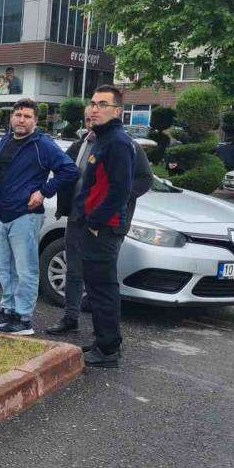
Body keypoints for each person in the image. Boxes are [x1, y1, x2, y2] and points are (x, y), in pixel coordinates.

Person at [0, 99, 78, 335]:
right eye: (18, 115)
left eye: (27, 116)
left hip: (26, 215)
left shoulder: (42, 144)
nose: (21, 119)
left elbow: (69, 170)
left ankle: (23, 319)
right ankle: (8, 310)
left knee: (25, 270)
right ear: (12, 117)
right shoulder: (5, 140)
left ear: (35, 120)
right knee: (5, 268)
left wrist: (44, 192)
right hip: (2, 214)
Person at [48, 117, 153, 337]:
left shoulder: (126, 145)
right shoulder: (80, 145)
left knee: (102, 279)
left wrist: (119, 197)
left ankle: (103, 335)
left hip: (106, 222)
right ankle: (70, 318)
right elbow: (65, 173)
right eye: (87, 118)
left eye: (96, 116)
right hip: (77, 217)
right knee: (73, 270)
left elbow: (144, 179)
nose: (91, 121)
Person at [67, 86, 135, 367]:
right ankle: (102, 341)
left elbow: (121, 191)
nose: (94, 108)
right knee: (95, 289)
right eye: (92, 103)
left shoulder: (117, 142)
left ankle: (108, 350)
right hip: (93, 226)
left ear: (117, 111)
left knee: (103, 289)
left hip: (103, 229)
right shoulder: (103, 139)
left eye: (102, 104)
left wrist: (94, 222)